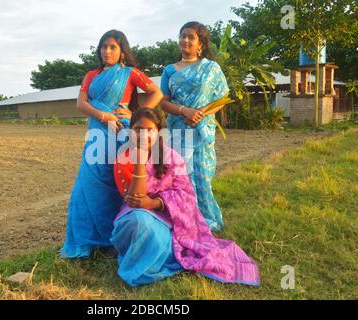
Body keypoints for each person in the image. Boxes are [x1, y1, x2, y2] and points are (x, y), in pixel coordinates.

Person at [111, 108, 260, 288]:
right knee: (137, 220)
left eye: (149, 130)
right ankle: (146, 252)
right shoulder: (124, 157)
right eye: (138, 129)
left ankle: (157, 254)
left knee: (145, 225)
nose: (143, 135)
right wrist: (141, 163)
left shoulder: (172, 157)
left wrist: (155, 203)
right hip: (134, 211)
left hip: (168, 217)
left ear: (159, 132)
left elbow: (185, 195)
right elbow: (135, 198)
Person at [60, 30, 163, 258]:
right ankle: (90, 240)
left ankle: (115, 238)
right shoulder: (91, 75)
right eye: (104, 46)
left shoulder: (129, 73)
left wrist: (135, 112)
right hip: (98, 131)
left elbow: (156, 92)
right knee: (87, 186)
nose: (107, 51)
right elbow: (81, 103)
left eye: (113, 47)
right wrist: (103, 116)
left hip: (121, 134)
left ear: (122, 51)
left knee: (117, 182)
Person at [160, 21, 229, 232]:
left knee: (202, 176)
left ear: (200, 44)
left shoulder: (211, 68)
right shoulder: (170, 70)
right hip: (179, 131)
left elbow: (222, 97)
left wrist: (200, 114)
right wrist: (184, 111)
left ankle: (206, 219)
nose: (185, 40)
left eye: (191, 37)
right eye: (182, 36)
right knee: (182, 176)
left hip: (202, 130)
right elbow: (163, 102)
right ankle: (185, 218)